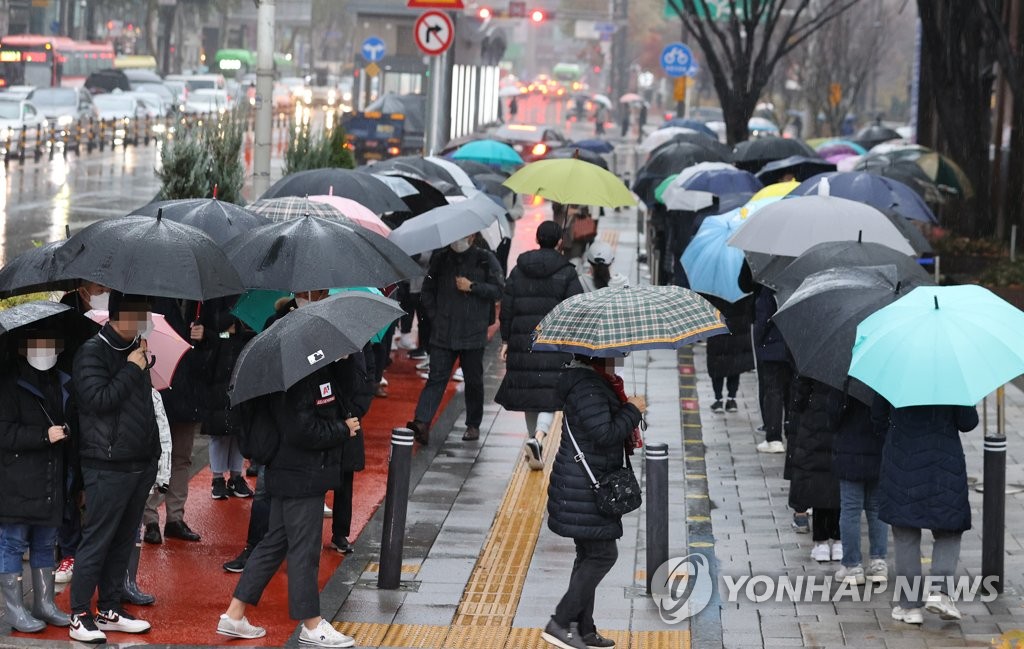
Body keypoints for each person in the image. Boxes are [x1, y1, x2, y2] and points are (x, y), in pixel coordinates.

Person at [215, 365, 356, 648]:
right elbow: (302, 429)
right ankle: (311, 624)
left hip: (286, 471)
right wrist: (343, 428)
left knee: (274, 543)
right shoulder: (304, 376)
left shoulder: (287, 373)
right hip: (302, 474)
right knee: (304, 549)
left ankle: (235, 613)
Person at [70, 292, 159, 643]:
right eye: (139, 316)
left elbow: (142, 407)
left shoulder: (137, 349)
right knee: (98, 539)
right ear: (121, 317)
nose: (143, 323)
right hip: (106, 464)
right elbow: (97, 401)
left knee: (123, 540)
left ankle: (108, 608)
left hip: (139, 461)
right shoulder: (92, 351)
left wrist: (153, 454)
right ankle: (79, 614)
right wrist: (133, 369)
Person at [544, 355, 645, 649]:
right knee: (603, 555)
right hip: (586, 487)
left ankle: (584, 629)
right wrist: (632, 410)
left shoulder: (593, 382)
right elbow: (605, 434)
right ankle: (560, 623)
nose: (622, 358)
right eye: (618, 353)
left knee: (588, 554)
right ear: (598, 355)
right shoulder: (588, 386)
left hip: (582, 484)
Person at [873, 397, 979, 625]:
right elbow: (968, 422)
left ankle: (909, 606)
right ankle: (940, 593)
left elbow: (877, 418)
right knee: (949, 529)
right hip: (944, 464)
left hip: (902, 462)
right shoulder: (952, 376)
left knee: (905, 534)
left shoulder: (894, 370)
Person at [0, 325, 74, 632]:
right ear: (22, 348)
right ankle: (14, 609)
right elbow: (4, 432)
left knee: (46, 543)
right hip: (17, 481)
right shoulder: (8, 385)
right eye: (37, 344)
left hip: (51, 479)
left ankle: (44, 603)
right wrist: (43, 436)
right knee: (12, 543)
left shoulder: (61, 381)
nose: (45, 351)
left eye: (50, 344)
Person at [496, 221, 584, 470]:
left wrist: (505, 339)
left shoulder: (519, 268)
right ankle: (539, 437)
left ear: (537, 239)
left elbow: (508, 306)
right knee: (550, 395)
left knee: (530, 394)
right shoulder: (566, 272)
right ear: (559, 242)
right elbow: (575, 308)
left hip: (524, 341)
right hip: (553, 343)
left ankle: (533, 441)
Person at [407, 233, 504, 444]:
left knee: (473, 379)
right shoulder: (441, 258)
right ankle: (422, 421)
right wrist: (435, 316)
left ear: (473, 236)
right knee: (436, 377)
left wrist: (473, 287)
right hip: (444, 332)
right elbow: (427, 290)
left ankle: (473, 424)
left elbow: (499, 289)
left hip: (473, 331)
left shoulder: (485, 258)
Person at [54, 282, 110, 586]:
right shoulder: (66, 306)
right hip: (69, 405)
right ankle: (69, 549)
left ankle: (93, 553)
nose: (100, 288)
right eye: (95, 285)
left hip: (99, 409)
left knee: (95, 488)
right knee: (68, 484)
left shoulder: (119, 309)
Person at [143, 298, 208, 544]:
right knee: (153, 456)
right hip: (156, 387)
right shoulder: (151, 297)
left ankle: (175, 518)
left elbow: (212, 350)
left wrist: (205, 336)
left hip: (188, 390)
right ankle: (149, 519)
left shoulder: (200, 302)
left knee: (182, 457)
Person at [830, 391, 888, 585]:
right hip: (878, 450)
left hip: (849, 451)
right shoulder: (885, 380)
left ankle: (853, 565)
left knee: (850, 510)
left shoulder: (845, 379)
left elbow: (831, 416)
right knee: (876, 508)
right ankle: (878, 561)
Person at [202, 303, 256, 500]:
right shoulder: (218, 337)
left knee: (237, 435)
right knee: (219, 436)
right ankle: (217, 478)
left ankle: (235, 476)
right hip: (217, 390)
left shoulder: (244, 337)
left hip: (238, 391)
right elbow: (215, 341)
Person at [786, 377, 843, 563]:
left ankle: (821, 543)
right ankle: (838, 540)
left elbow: (798, 400)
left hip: (815, 427)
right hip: (842, 424)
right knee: (839, 486)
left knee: (818, 484)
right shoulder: (855, 355)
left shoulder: (817, 359)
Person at [329, 345, 377, 554]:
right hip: (324, 418)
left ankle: (340, 532)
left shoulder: (360, 343)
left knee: (345, 480)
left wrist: (354, 412)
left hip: (350, 419)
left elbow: (368, 378)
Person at [752, 286, 791, 453]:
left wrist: (759, 343)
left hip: (772, 348)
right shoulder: (800, 287)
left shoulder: (769, 290)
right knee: (790, 391)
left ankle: (774, 438)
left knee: (773, 392)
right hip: (792, 349)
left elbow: (762, 321)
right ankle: (791, 430)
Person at [704, 296, 754, 413]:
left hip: (717, 333)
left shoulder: (713, 291)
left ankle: (718, 400)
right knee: (734, 366)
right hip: (737, 333)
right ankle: (732, 400)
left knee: (717, 366)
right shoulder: (742, 292)